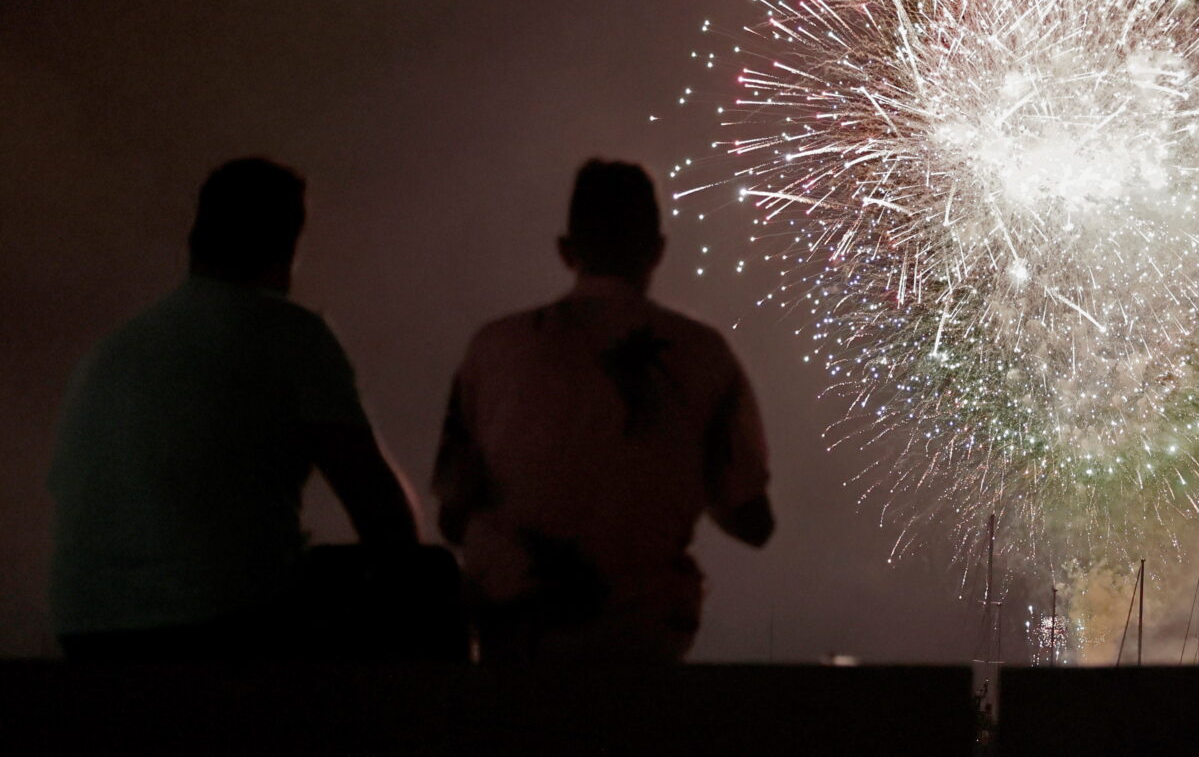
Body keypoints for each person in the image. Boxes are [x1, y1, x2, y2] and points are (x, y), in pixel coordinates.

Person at [48, 158, 420, 661]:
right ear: (290, 243)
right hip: (220, 624)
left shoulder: (115, 349)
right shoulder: (288, 333)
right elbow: (382, 514)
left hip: (87, 627)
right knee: (427, 581)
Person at [434, 159, 773, 661]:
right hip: (643, 635)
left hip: (519, 629)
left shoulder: (493, 347)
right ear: (657, 250)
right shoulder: (702, 353)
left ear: (566, 250)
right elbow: (753, 523)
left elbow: (451, 515)